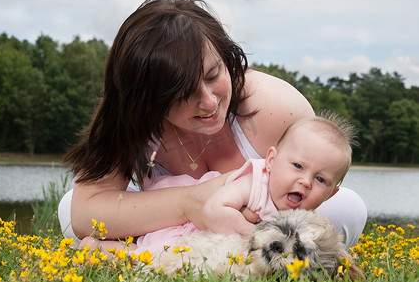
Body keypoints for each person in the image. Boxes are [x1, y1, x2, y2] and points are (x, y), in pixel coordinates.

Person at [58, 0, 367, 251]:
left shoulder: (277, 107)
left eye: (212, 75)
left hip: (260, 223)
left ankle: (141, 253)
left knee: (347, 209)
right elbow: (84, 212)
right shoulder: (128, 119)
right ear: (145, 97)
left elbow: (313, 187)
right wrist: (191, 204)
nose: (209, 102)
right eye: (181, 94)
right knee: (69, 208)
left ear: (224, 55)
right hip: (169, 224)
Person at [80, 112, 357, 256]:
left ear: (331, 194)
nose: (305, 182)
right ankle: (99, 248)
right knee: (153, 257)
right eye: (297, 166)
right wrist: (256, 234)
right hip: (190, 225)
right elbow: (213, 211)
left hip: (221, 241)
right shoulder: (256, 182)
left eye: (320, 180)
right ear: (271, 160)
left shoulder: (306, 214)